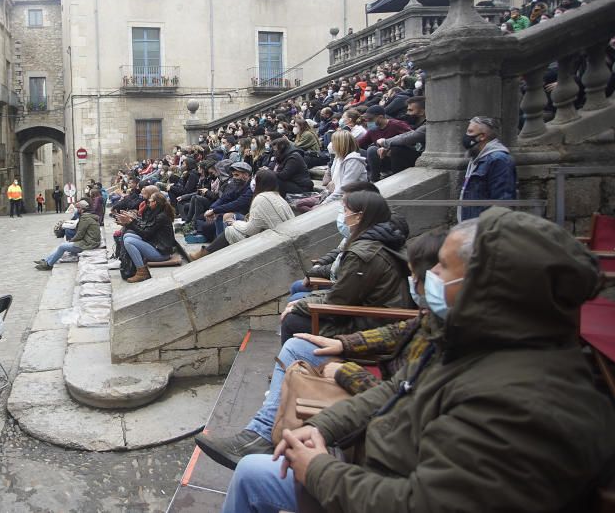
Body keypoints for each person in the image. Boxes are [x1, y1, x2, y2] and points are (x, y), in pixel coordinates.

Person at [221, 209, 614, 513]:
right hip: (378, 459)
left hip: (378, 484)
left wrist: (318, 470)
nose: (429, 277)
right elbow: (399, 386)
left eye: (442, 267)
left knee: (252, 474)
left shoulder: (522, 405)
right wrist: (324, 425)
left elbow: (420, 504)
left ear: (485, 286)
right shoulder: (470, 342)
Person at [196, 230, 444, 470]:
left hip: (380, 393)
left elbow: (400, 397)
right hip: (376, 354)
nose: (413, 282)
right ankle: (260, 432)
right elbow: (397, 331)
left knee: (295, 321)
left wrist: (342, 370)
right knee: (298, 345)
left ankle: (266, 428)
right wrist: (343, 344)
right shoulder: (433, 318)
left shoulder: (450, 345)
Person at [279, 190, 408, 342]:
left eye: (346, 210)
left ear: (359, 216)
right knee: (298, 301)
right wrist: (304, 302)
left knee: (291, 321)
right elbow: (343, 292)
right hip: (373, 314)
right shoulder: (379, 241)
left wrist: (300, 305)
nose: (343, 215)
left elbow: (338, 301)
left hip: (372, 326)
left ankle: (302, 362)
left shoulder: (362, 253)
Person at [192, 169, 294, 260]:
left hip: (272, 243)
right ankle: (210, 252)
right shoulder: (278, 196)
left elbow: (250, 230)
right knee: (226, 219)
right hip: (275, 237)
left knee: (230, 231)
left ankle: (207, 253)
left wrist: (235, 223)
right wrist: (215, 210)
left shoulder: (262, 198)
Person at [459, 115, 516, 222]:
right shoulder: (477, 157)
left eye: (470, 132)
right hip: (472, 225)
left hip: (484, 228)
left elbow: (502, 203)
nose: (466, 136)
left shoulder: (499, 160)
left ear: (482, 136)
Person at [117, 191, 177, 282]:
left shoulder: (161, 217)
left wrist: (130, 222)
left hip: (161, 253)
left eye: (150, 201)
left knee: (129, 241)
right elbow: (145, 229)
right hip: (155, 245)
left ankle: (141, 272)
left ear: (155, 203)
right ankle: (131, 264)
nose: (149, 202)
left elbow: (145, 234)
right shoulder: (156, 213)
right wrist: (131, 220)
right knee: (127, 235)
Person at [35, 200, 100, 270]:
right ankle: (46, 260)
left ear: (82, 209)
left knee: (62, 246)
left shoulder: (85, 218)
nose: (77, 210)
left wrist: (72, 240)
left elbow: (80, 234)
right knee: (62, 245)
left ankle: (48, 264)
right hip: (90, 241)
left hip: (88, 243)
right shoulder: (89, 216)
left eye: (78, 208)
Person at [355, 105, 412, 182]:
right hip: (380, 159)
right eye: (367, 120)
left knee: (372, 149)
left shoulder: (396, 124)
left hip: (396, 158)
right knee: (356, 151)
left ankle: (374, 179)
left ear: (380, 117)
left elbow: (412, 138)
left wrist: (389, 147)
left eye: (370, 119)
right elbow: (360, 143)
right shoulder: (372, 130)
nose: (368, 122)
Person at [373, 96, 426, 177]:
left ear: (422, 112)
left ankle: (397, 177)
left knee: (396, 150)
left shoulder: (427, 126)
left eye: (411, 110)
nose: (407, 113)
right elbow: (407, 135)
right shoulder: (419, 124)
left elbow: (409, 138)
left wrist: (385, 142)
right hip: (419, 153)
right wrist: (388, 145)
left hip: (424, 158)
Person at [201, 161, 254, 240]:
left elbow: (238, 204)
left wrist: (215, 210)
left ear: (246, 175)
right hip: (238, 213)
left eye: (237, 175)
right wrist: (212, 209)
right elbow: (225, 198)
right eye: (233, 175)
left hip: (249, 216)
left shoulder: (251, 187)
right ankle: (220, 243)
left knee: (226, 215)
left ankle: (228, 243)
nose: (234, 178)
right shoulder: (238, 185)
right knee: (219, 215)